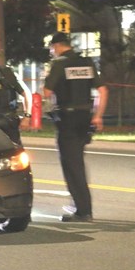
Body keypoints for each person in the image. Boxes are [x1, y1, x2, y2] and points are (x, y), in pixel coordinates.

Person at [43, 32, 109, 222]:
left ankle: (83, 210)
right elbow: (103, 90)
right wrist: (98, 116)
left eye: (52, 49)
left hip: (68, 119)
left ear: (56, 46)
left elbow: (47, 92)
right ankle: (80, 205)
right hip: (85, 117)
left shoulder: (59, 64)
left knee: (72, 165)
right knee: (77, 161)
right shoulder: (86, 63)